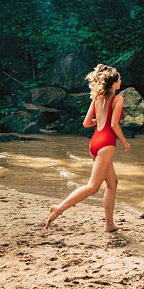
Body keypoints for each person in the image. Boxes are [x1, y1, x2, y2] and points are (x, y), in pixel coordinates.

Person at [44, 64, 130, 232]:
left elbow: (86, 123)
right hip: (106, 144)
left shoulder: (97, 97)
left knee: (113, 183)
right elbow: (113, 124)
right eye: (119, 77)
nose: (121, 80)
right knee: (93, 186)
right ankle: (59, 208)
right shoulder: (118, 99)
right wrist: (125, 142)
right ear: (114, 82)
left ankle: (109, 224)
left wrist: (99, 122)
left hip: (94, 143)